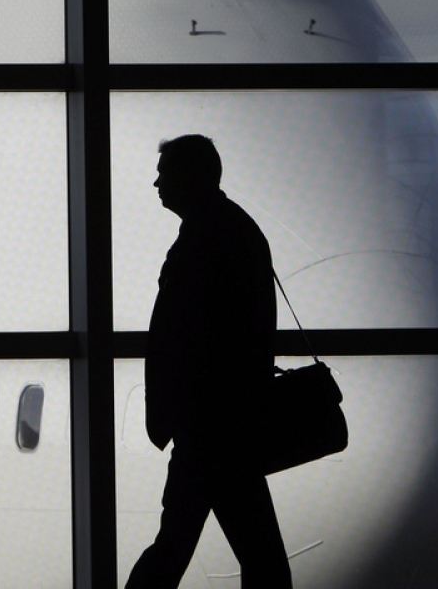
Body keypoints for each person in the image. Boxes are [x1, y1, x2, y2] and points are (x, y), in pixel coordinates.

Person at [125, 135, 292, 589]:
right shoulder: (231, 228)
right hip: (224, 425)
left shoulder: (205, 237)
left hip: (210, 426)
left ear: (189, 178)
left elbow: (182, 336)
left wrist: (173, 411)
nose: (157, 181)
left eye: (166, 172)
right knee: (255, 555)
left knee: (176, 547)